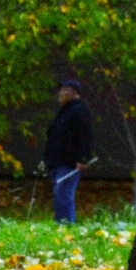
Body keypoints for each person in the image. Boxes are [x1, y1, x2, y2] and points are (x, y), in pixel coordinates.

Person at [42, 78, 95, 224]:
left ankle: (67, 226)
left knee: (63, 194)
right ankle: (61, 224)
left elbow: (85, 136)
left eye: (63, 92)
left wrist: (83, 159)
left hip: (70, 162)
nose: (60, 95)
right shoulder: (65, 111)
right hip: (58, 161)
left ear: (72, 93)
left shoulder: (79, 110)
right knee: (60, 194)